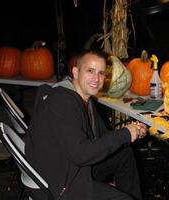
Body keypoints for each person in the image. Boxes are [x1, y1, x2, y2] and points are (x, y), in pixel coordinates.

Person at [25, 49, 147, 200]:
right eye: (90, 71)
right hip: (60, 185)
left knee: (124, 154)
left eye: (101, 73)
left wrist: (131, 131)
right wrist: (125, 134)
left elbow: (102, 136)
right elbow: (81, 154)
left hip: (73, 167)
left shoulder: (84, 99)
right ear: (75, 72)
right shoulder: (62, 102)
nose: (96, 78)